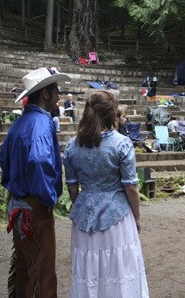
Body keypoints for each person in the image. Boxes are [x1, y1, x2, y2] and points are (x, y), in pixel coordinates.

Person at [63, 90, 149, 297]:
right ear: (112, 114)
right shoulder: (121, 143)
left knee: (89, 270)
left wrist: (81, 206)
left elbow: (72, 186)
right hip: (116, 218)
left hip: (84, 219)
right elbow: (130, 187)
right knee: (119, 268)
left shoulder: (72, 146)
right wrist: (136, 217)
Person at [0, 67, 70, 297]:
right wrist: (47, 198)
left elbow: (3, 158)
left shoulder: (19, 123)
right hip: (34, 207)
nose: (59, 96)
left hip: (17, 204)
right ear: (45, 93)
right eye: (56, 91)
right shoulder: (41, 122)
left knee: (24, 267)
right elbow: (39, 159)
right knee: (43, 272)